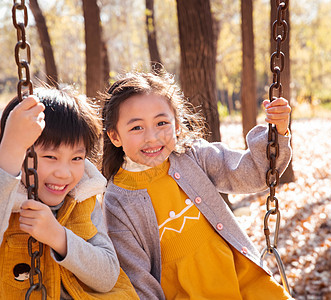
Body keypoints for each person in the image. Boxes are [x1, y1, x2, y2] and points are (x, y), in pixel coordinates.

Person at [101, 71, 294, 299]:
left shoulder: (192, 156)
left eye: (161, 123)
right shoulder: (118, 201)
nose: (152, 137)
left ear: (177, 125)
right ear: (115, 136)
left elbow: (251, 172)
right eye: (136, 128)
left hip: (243, 280)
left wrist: (277, 130)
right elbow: (137, 277)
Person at [0, 86, 138, 299]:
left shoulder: (83, 200)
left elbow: (108, 276)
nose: (64, 173)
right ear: (19, 153)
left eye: (76, 159)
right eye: (50, 157)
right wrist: (11, 148)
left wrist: (59, 237)